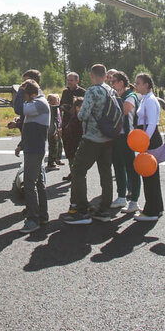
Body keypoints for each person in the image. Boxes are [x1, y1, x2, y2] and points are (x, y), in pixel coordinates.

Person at [63, 64, 116, 224]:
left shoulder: (93, 90)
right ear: (106, 75)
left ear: (92, 76)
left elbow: (83, 114)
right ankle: (105, 209)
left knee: (78, 171)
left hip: (92, 137)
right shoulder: (110, 90)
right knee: (106, 173)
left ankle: (82, 211)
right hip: (108, 137)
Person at [16, 79, 51, 232]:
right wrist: (21, 145)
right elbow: (28, 127)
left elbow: (18, 108)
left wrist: (19, 91)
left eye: (26, 96)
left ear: (32, 94)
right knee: (38, 183)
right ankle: (42, 215)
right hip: (33, 147)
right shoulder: (36, 103)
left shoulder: (39, 103)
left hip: (35, 150)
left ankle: (33, 220)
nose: (25, 99)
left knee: (30, 183)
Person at [109, 71, 141, 213]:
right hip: (117, 137)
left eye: (113, 81)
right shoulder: (118, 96)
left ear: (121, 82)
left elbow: (124, 111)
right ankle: (121, 197)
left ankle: (134, 201)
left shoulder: (130, 96)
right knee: (118, 166)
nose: (112, 84)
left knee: (131, 168)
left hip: (128, 137)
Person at [132, 72, 163, 221]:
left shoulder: (150, 100)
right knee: (150, 175)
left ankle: (152, 211)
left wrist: (144, 142)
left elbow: (151, 124)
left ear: (146, 85)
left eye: (138, 83)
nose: (136, 85)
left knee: (150, 175)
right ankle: (156, 208)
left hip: (149, 139)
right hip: (147, 138)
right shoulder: (144, 98)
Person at [59, 72, 86, 180]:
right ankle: (72, 172)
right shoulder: (65, 92)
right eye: (68, 80)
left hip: (78, 125)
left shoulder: (83, 92)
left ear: (77, 81)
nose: (69, 82)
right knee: (68, 149)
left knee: (77, 150)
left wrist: (72, 108)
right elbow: (61, 108)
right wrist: (60, 125)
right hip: (66, 124)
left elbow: (83, 109)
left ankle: (78, 174)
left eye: (71, 80)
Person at [46, 93, 64, 170]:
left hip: (58, 128)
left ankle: (57, 159)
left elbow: (59, 119)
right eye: (56, 99)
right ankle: (51, 162)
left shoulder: (57, 108)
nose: (58, 101)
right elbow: (53, 121)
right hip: (53, 130)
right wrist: (55, 131)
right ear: (51, 101)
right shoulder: (51, 109)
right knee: (53, 146)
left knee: (59, 144)